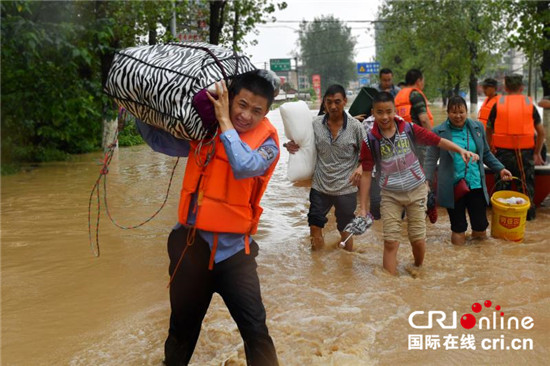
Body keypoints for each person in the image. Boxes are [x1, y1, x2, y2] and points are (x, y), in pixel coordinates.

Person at [137, 70, 280, 365]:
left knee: (256, 332)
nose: (246, 116)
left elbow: (244, 165)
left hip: (236, 254)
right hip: (190, 248)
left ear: (267, 113)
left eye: (257, 110)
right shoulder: (203, 132)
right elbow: (159, 141)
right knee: (180, 332)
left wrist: (225, 122)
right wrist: (138, 107)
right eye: (241, 105)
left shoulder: (268, 144)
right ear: (228, 100)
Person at [359, 92, 479, 275]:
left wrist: (460, 150)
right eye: (380, 112)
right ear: (372, 113)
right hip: (390, 195)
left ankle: (417, 270)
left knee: (418, 239)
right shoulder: (369, 140)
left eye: (388, 111)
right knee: (390, 241)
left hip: (416, 191)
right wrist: (362, 208)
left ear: (395, 110)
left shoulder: (409, 129)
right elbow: (366, 175)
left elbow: (437, 141)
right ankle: (390, 285)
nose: (385, 117)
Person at [285, 84, 365, 251]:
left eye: (337, 102)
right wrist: (290, 145)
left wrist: (360, 168)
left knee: (345, 229)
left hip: (346, 188)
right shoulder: (314, 125)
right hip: (320, 186)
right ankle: (316, 266)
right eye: (329, 102)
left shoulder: (355, 127)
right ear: (324, 103)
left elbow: (369, 155)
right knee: (314, 226)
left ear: (345, 101)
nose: (333, 106)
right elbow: (302, 144)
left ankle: (347, 264)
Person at [424, 96, 512, 245]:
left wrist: (500, 169)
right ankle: (459, 263)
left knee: (480, 226)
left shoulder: (477, 128)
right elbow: (430, 159)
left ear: (466, 111)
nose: (458, 116)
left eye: (461, 112)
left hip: (475, 183)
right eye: (454, 112)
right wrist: (427, 181)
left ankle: (478, 263)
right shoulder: (438, 132)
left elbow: (486, 154)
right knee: (458, 228)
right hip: (453, 187)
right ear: (447, 112)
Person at [486, 74, 546, 220]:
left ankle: (501, 222)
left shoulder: (497, 104)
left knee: (501, 192)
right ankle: (529, 222)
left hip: (501, 155)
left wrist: (490, 148)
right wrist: (537, 153)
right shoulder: (529, 105)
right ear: (522, 88)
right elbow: (542, 133)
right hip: (524, 156)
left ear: (505, 87)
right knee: (526, 193)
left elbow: (488, 129)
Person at [394, 69, 435, 166]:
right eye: (423, 80)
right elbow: (424, 119)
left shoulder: (398, 96)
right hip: (418, 141)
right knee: (423, 170)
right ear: (418, 81)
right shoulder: (415, 95)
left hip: (402, 141)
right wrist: (433, 139)